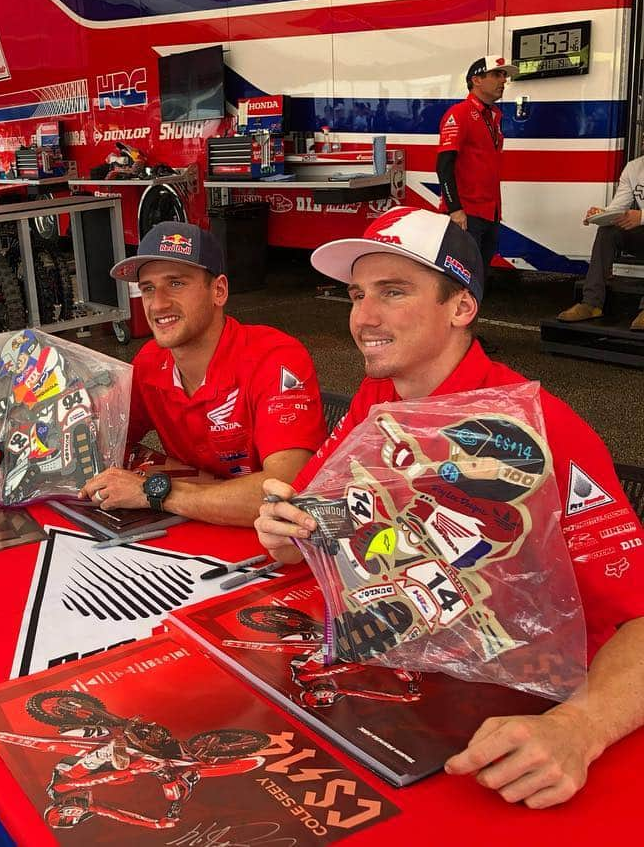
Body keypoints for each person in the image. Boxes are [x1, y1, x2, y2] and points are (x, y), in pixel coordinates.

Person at [256, 205, 644, 810]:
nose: (364, 319)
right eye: (358, 295)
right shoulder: (379, 394)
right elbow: (317, 509)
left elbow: (640, 622)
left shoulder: (539, 431)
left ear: (462, 308)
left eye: (394, 292)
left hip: (533, 708)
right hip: (412, 669)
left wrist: (582, 727)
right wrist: (291, 527)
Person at [80, 222, 326, 527]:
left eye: (176, 283)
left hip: (271, 544)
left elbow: (286, 490)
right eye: (147, 288)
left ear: (219, 291)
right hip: (190, 535)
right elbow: (97, 440)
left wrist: (154, 492)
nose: (158, 303)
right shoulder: (150, 362)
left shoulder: (275, 357)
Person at [437, 55, 518, 270]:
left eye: (504, 76)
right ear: (477, 80)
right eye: (496, 75)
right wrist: (454, 209)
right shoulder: (460, 113)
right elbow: (444, 164)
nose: (503, 81)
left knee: (479, 277)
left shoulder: (494, 116)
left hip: (490, 211)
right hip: (467, 212)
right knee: (461, 278)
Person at [557, 155, 644, 331]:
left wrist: (641, 217)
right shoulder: (634, 168)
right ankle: (591, 303)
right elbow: (617, 209)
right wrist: (601, 215)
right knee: (607, 231)